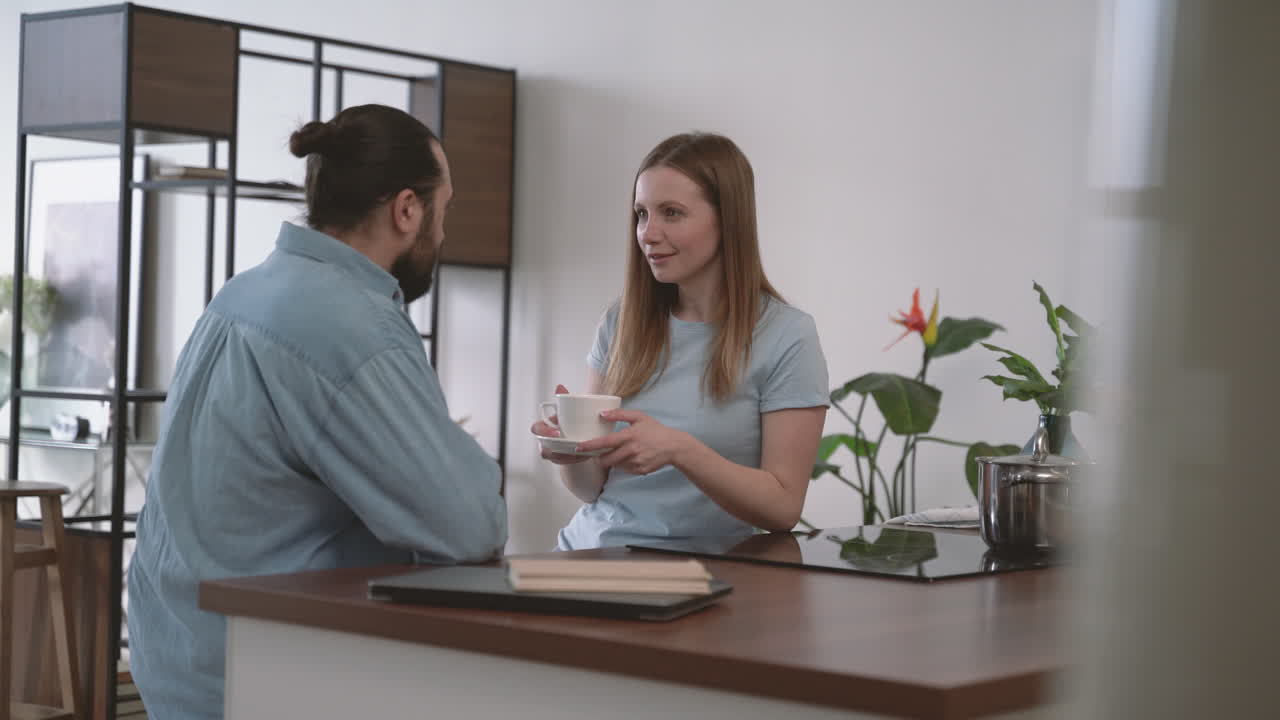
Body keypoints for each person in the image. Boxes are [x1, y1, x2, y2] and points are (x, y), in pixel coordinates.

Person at [128, 104, 507, 719]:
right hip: (264, 672)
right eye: (445, 209)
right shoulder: (351, 325)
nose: (442, 232)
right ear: (407, 209)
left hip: (176, 654)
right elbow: (467, 526)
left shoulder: (243, 291)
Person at [535, 132, 828, 550]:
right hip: (589, 554)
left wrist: (681, 451)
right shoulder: (620, 322)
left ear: (727, 219)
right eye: (641, 214)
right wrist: (574, 451)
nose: (647, 234)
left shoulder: (787, 336)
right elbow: (591, 490)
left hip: (706, 576)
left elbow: (782, 508)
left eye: (671, 213)